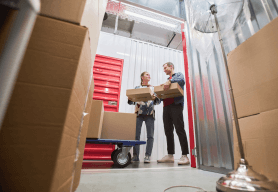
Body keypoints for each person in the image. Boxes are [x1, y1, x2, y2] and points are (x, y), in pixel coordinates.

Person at [157, 62, 190, 165]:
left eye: (165, 67)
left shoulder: (178, 75)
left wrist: (170, 80)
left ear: (171, 67)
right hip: (166, 107)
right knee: (168, 131)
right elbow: (162, 97)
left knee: (179, 129)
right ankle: (170, 155)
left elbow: (182, 81)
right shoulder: (166, 82)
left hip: (176, 106)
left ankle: (185, 156)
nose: (164, 70)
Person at [128, 71, 161, 163]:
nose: (149, 75)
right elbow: (132, 102)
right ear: (142, 77)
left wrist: (155, 99)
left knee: (150, 136)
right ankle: (135, 156)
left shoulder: (153, 88)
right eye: (147, 74)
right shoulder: (137, 88)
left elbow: (158, 102)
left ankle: (147, 156)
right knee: (136, 135)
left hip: (150, 114)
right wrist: (130, 99)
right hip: (139, 114)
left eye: (149, 75)